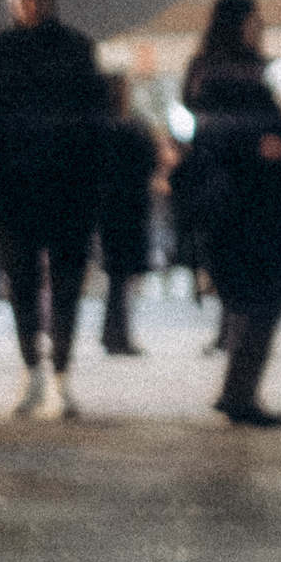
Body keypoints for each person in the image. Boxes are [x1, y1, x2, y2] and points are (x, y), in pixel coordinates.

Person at [0, 0, 106, 418]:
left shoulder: (77, 50)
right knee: (21, 284)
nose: (33, 5)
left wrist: (92, 180)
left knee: (66, 286)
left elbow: (97, 123)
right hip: (15, 193)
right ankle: (33, 373)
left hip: (70, 191)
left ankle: (61, 378)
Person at [179, 0, 281, 427]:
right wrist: (270, 144)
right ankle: (240, 395)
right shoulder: (234, 74)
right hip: (251, 206)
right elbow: (243, 136)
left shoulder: (207, 72)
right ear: (238, 24)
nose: (261, 28)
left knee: (249, 298)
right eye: (256, 21)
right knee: (264, 297)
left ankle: (236, 392)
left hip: (229, 206)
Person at [96, 73, 160, 358]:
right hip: (128, 207)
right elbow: (149, 159)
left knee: (118, 276)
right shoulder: (131, 128)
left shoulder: (101, 128)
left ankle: (114, 333)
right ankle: (117, 335)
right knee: (122, 277)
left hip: (112, 207)